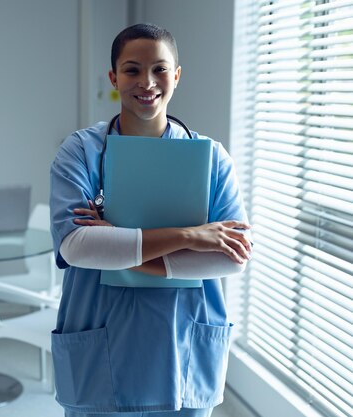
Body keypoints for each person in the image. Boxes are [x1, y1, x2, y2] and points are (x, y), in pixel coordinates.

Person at [49, 23, 252, 417]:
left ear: (177, 75)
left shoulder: (212, 158)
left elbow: (231, 256)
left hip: (183, 346)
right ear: (113, 77)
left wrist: (120, 247)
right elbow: (77, 247)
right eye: (132, 70)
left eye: (160, 69)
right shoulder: (81, 152)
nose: (147, 82)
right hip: (102, 347)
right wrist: (191, 235)